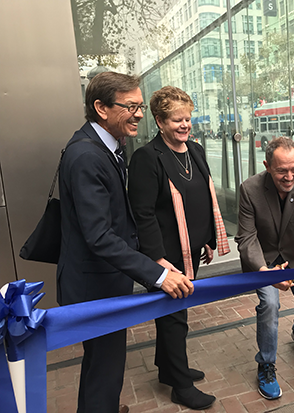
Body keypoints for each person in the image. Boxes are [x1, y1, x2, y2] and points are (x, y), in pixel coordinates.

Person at [57, 72, 194, 413]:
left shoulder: (107, 147)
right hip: (95, 288)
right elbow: (100, 236)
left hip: (104, 281)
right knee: (104, 366)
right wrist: (159, 275)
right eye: (130, 106)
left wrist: (154, 260)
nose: (139, 113)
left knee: (103, 365)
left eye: (139, 106)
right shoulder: (87, 156)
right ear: (101, 108)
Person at [128, 86, 231, 410]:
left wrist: (208, 240)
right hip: (166, 256)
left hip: (192, 249)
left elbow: (204, 198)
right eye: (176, 120)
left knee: (174, 313)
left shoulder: (195, 151)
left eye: (187, 118)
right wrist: (157, 259)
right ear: (159, 121)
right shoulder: (147, 157)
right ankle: (180, 387)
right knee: (174, 317)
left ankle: (168, 370)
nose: (185, 125)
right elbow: (142, 213)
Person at [235, 137, 294, 400]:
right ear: (267, 166)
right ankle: (266, 364)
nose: (290, 177)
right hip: (264, 262)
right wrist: (264, 271)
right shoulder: (249, 189)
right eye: (281, 171)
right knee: (270, 306)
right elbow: (246, 237)